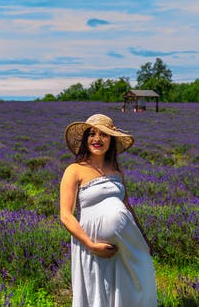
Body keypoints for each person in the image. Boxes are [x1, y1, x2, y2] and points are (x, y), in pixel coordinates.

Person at [60, 114, 158, 307]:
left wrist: (144, 239)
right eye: (92, 134)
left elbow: (127, 206)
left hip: (127, 242)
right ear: (85, 139)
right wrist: (90, 244)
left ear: (111, 140)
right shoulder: (74, 170)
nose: (97, 139)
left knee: (134, 282)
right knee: (97, 288)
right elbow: (65, 215)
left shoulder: (116, 170)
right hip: (92, 242)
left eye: (104, 135)